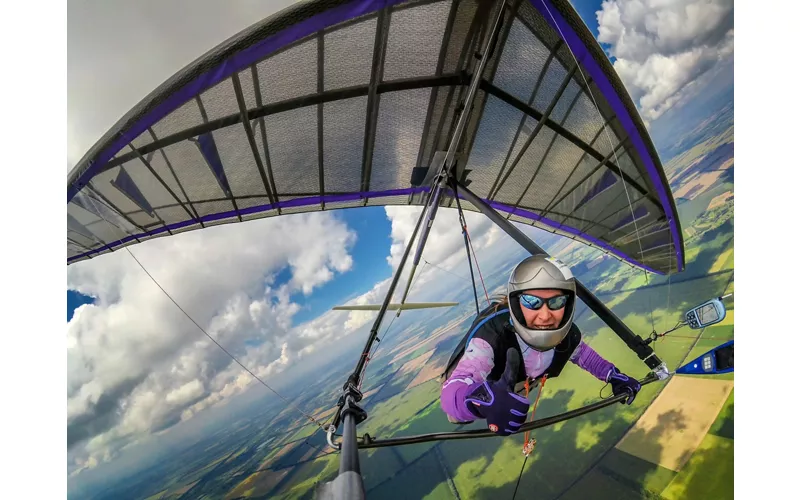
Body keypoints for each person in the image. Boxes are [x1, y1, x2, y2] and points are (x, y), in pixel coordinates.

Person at [440, 255, 641, 435]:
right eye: (531, 302)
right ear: (517, 303)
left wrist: (614, 376)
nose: (545, 315)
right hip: (493, 384)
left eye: (556, 302)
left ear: (568, 304)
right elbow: (454, 388)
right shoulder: (493, 336)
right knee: (457, 417)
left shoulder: (567, 335)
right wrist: (482, 401)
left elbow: (583, 356)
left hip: (526, 379)